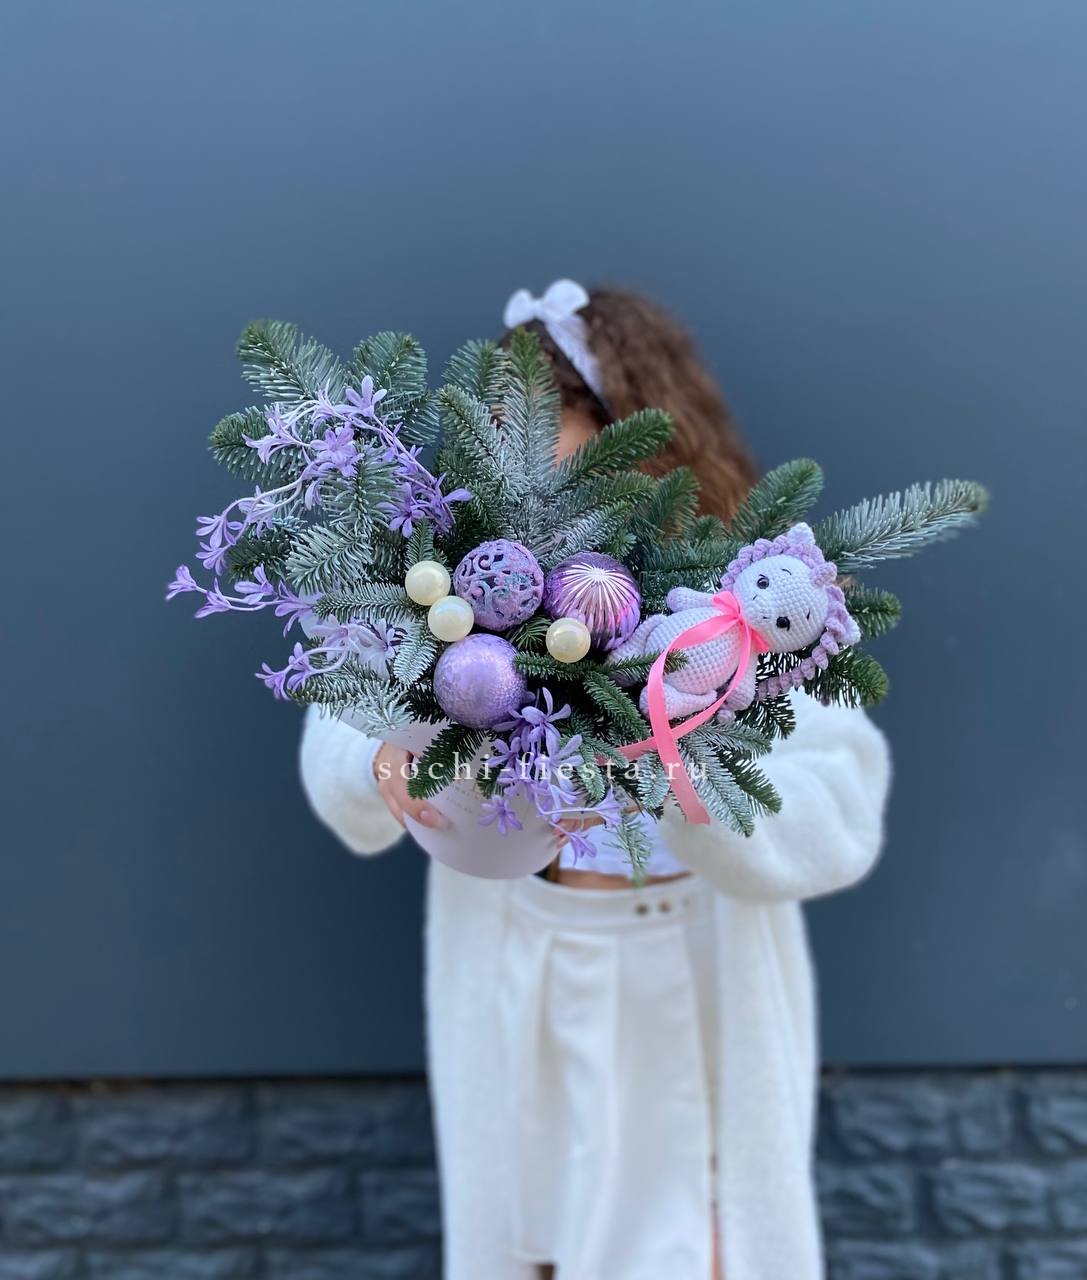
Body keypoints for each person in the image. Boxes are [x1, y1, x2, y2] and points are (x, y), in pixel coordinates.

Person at [299, 282, 891, 1280]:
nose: (538, 507)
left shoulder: (745, 607)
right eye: (506, 457)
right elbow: (339, 741)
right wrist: (382, 756)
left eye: (569, 470)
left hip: (691, 978)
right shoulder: (458, 586)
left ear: (644, 447)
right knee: (527, 1241)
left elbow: (839, 814)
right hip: (521, 969)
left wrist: (687, 775)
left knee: (706, 1248)